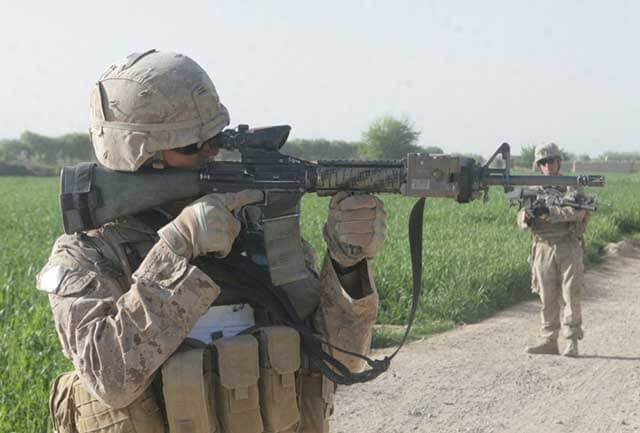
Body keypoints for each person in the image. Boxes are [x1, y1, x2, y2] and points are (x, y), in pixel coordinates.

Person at [38, 50, 386, 433]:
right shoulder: (87, 253)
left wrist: (347, 264)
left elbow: (342, 359)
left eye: (214, 137)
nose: (211, 151)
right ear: (138, 154)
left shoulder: (253, 227)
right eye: (190, 146)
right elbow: (111, 378)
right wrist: (176, 249)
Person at [518, 143, 589, 357]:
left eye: (550, 161)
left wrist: (550, 212)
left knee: (571, 294)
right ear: (538, 166)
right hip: (542, 246)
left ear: (559, 162)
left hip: (567, 244)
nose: (547, 166)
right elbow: (520, 216)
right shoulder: (533, 189)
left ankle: (572, 341)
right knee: (546, 296)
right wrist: (526, 217)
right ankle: (549, 340)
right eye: (542, 162)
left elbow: (578, 212)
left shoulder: (571, 186)